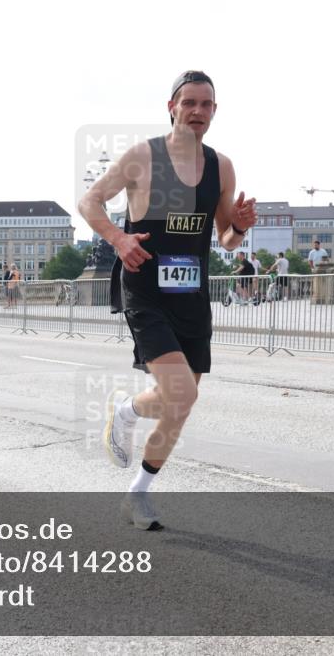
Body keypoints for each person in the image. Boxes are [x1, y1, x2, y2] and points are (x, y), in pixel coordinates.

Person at [78, 70, 257, 530]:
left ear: (214, 112)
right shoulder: (143, 156)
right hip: (146, 290)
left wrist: (239, 225)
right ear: (172, 107)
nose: (197, 111)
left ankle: (137, 493)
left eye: (206, 105)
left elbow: (227, 239)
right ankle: (127, 412)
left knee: (180, 404)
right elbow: (91, 201)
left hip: (192, 294)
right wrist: (118, 239)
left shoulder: (222, 166)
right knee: (182, 390)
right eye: (189, 103)